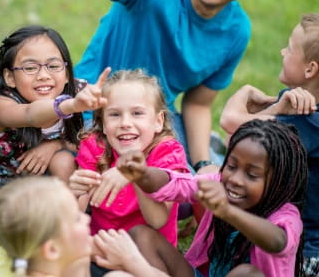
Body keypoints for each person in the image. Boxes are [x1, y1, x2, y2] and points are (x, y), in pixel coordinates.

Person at [70, 0, 279, 171]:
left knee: (200, 187)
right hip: (93, 113)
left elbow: (198, 104)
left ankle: (208, 152)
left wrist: (203, 163)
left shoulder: (236, 30)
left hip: (155, 122)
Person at [118, 119, 308, 277]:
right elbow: (176, 184)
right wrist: (142, 174)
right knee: (142, 235)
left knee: (247, 274)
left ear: (279, 182)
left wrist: (228, 211)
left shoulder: (286, 216)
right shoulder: (218, 184)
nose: (235, 179)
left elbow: (277, 242)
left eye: (252, 175)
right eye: (232, 166)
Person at [220, 13, 319, 276]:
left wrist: (243, 93)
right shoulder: (298, 104)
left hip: (306, 254)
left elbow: (231, 123)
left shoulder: (310, 121)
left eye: (289, 47)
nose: (282, 51)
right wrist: (276, 106)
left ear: (310, 69)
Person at [69, 69, 189, 276]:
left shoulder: (167, 153)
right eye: (114, 114)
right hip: (103, 250)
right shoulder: (95, 147)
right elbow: (76, 213)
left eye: (137, 113)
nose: (125, 123)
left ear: (158, 121)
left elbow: (158, 221)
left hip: (149, 259)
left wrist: (135, 176)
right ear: (103, 124)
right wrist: (74, 192)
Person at [0, 25, 110, 190]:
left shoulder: (78, 92)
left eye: (53, 66)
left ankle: (69, 212)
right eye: (30, 68)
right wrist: (70, 105)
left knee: (64, 160)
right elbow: (30, 114)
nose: (43, 76)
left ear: (67, 73)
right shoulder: (0, 105)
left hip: (49, 180)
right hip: (1, 185)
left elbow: (92, 139)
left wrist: (57, 145)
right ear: (10, 77)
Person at [0, 175, 168, 277]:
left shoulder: (24, 251)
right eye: (77, 219)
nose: (87, 219)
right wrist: (134, 261)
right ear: (52, 249)